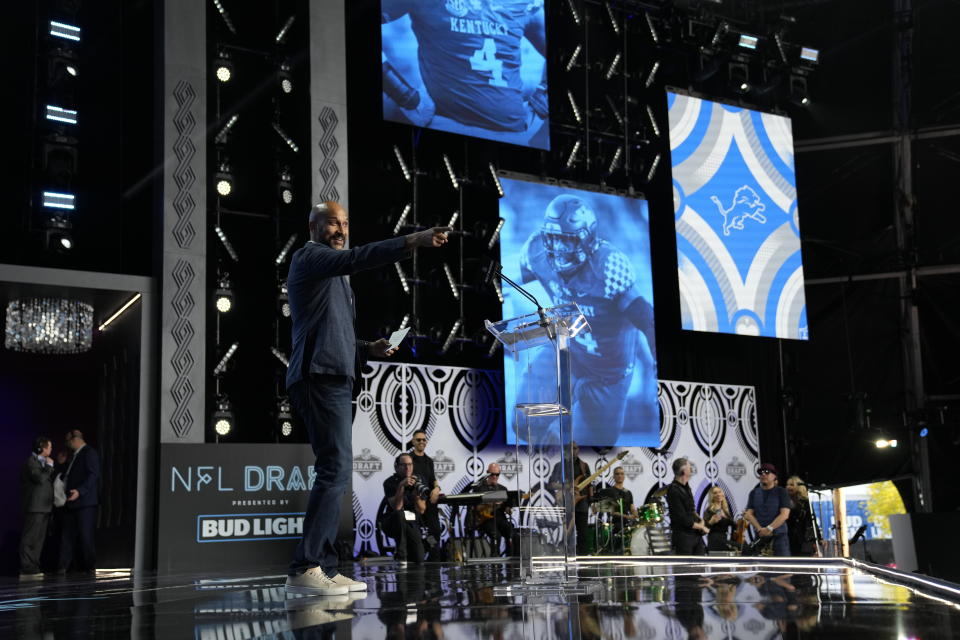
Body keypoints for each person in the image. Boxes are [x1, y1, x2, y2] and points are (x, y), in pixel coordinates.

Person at [284, 200, 448, 595]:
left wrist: (366, 348)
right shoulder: (311, 257)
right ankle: (306, 568)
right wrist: (414, 239)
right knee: (334, 467)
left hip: (337, 375)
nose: (340, 230)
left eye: (344, 223)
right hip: (319, 377)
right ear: (312, 226)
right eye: (331, 223)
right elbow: (360, 257)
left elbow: (331, 331)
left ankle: (322, 564)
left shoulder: (335, 276)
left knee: (337, 469)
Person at [518, 195, 657, 444]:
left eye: (567, 239)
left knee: (590, 447)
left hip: (608, 372)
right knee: (523, 422)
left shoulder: (608, 265)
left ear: (587, 238)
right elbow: (507, 283)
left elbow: (645, 318)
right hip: (566, 351)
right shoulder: (536, 250)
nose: (559, 248)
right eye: (554, 238)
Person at [380, 0, 548, 147]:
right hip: (447, 126)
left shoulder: (523, 3)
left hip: (514, 137)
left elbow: (565, 53)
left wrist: (541, 102)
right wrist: (404, 95)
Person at [59, 429, 99, 574]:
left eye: (69, 442)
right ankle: (63, 567)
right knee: (67, 536)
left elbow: (93, 475)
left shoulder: (89, 453)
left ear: (75, 440)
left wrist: (80, 491)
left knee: (85, 535)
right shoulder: (74, 457)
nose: (68, 446)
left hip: (85, 503)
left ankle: (89, 567)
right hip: (71, 502)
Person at [548, 441, 592, 555]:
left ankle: (584, 560)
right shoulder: (560, 465)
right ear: (566, 451)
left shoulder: (584, 466)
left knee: (583, 533)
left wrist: (590, 502)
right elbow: (551, 484)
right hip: (567, 503)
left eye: (576, 448)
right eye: (571, 448)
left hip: (582, 503)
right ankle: (566, 557)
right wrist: (567, 486)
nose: (574, 451)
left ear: (578, 450)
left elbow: (590, 485)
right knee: (567, 534)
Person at [20, 437, 55, 578]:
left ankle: (33, 566)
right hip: (35, 506)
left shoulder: (42, 463)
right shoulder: (31, 462)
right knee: (30, 538)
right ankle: (26, 567)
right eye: (50, 447)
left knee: (39, 539)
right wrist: (49, 467)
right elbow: (39, 479)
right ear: (42, 447)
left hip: (44, 507)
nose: (51, 449)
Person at [382, 453, 427, 564]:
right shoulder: (389, 482)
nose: (408, 468)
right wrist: (401, 486)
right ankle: (400, 554)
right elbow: (397, 507)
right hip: (392, 522)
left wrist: (416, 494)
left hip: (410, 521)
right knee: (400, 514)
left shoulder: (419, 480)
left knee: (419, 558)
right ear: (397, 467)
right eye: (404, 465)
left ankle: (408, 553)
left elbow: (421, 509)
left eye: (410, 464)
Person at [743, 463, 792, 557]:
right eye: (761, 473)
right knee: (761, 566)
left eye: (767, 472)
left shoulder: (781, 492)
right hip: (760, 535)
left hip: (779, 536)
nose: (763, 475)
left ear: (774, 476)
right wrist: (760, 529)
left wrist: (769, 528)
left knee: (784, 567)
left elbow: (785, 514)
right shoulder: (754, 493)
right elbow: (748, 514)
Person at [408, 430, 443, 559]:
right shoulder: (408, 459)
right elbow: (409, 480)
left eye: (424, 439)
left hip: (429, 501)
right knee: (419, 532)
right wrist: (417, 499)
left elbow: (433, 479)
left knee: (435, 532)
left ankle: (432, 556)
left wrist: (437, 488)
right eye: (418, 440)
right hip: (414, 502)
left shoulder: (429, 461)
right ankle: (419, 554)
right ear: (413, 441)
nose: (421, 442)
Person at [665, 457, 709, 555]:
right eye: (689, 467)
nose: (691, 469)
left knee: (700, 566)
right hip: (683, 537)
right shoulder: (673, 490)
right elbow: (682, 518)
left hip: (695, 535)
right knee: (685, 569)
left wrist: (700, 520)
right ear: (684, 471)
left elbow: (692, 509)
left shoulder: (686, 487)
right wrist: (701, 527)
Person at [471, 463, 514, 556]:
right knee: (496, 535)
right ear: (487, 473)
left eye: (497, 474)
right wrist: (491, 504)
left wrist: (508, 509)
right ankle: (495, 563)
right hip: (485, 520)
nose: (494, 476)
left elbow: (506, 507)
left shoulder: (503, 489)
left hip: (500, 518)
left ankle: (511, 559)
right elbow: (475, 508)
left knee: (510, 530)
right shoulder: (479, 488)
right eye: (492, 474)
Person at [786, 475, 821, 557]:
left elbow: (812, 521)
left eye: (791, 485)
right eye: (787, 485)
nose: (788, 487)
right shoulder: (785, 501)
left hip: (803, 539)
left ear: (799, 487)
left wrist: (818, 539)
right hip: (789, 538)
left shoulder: (805, 502)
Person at [703, 485, 734, 553]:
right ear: (712, 496)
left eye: (720, 492)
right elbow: (704, 528)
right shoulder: (709, 511)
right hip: (715, 541)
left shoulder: (725, 511)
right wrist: (711, 522)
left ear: (723, 494)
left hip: (724, 539)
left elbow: (734, 525)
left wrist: (744, 522)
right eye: (715, 493)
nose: (718, 494)